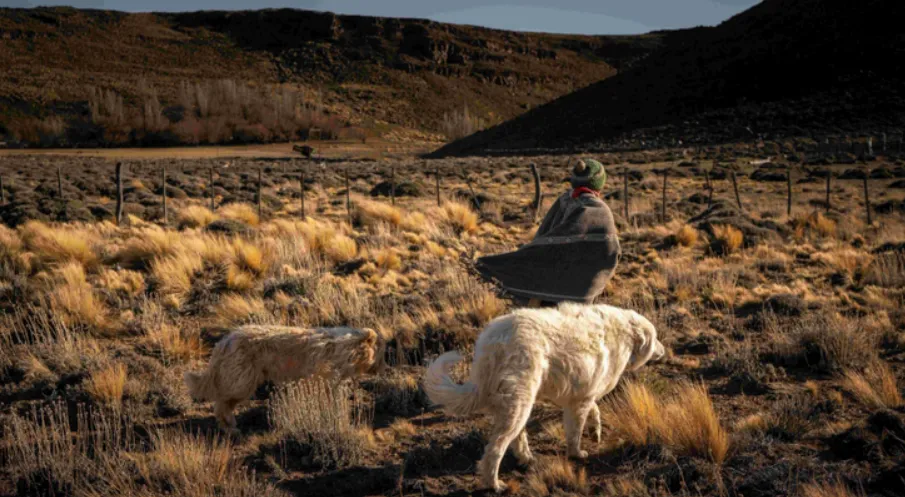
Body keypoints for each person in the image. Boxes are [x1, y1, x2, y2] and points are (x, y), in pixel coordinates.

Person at [475, 158, 621, 306]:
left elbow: (545, 235)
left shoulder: (565, 199)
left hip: (548, 280)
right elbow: (609, 251)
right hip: (574, 289)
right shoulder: (599, 210)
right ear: (599, 183)